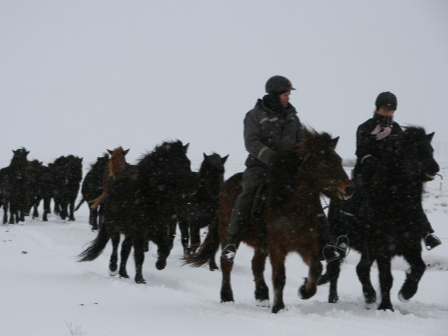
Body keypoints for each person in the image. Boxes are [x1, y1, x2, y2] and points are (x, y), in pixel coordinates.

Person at [221, 75, 341, 263]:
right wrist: (272, 157)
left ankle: (325, 244)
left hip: (287, 169)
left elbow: (301, 142)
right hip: (259, 166)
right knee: (248, 195)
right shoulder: (255, 115)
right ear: (275, 94)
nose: (288, 98)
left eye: (288, 95)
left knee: (310, 194)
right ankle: (231, 242)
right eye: (285, 94)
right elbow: (251, 142)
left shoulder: (293, 117)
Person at [351, 91, 441, 250]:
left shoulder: (397, 129)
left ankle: (427, 233)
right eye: (386, 109)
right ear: (378, 108)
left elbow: (403, 152)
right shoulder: (365, 127)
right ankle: (344, 235)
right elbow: (361, 151)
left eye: (391, 110)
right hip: (367, 170)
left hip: (390, 173)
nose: (389, 112)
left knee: (411, 195)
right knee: (355, 194)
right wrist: (370, 160)